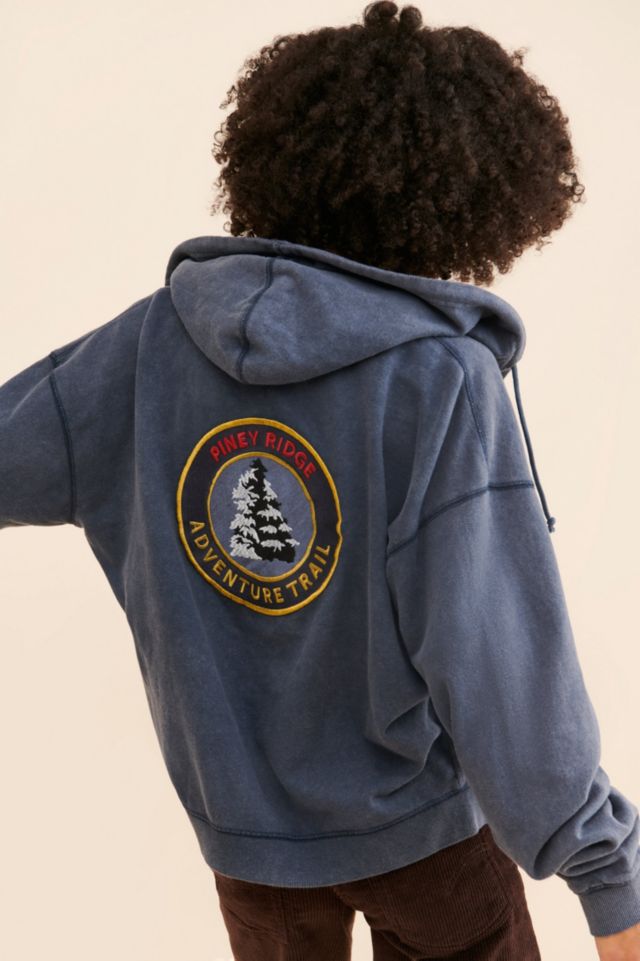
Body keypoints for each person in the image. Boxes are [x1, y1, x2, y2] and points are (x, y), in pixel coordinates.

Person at [1, 1, 639, 958]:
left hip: (249, 850)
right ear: (474, 197)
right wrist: (608, 871)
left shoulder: (143, 347)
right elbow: (497, 659)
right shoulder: (438, 379)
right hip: (425, 842)